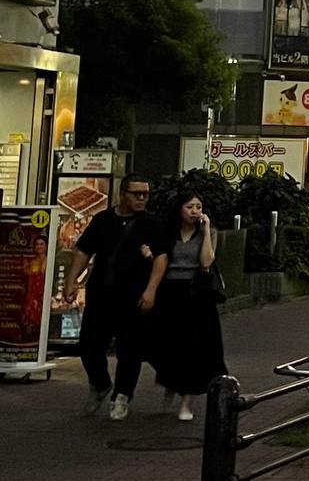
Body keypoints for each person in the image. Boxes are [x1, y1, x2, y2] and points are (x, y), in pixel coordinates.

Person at [63, 175, 158, 421]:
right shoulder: (103, 220)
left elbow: (162, 260)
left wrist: (150, 290)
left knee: (130, 349)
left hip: (134, 296)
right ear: (122, 194)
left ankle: (122, 396)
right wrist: (71, 281)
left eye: (145, 194)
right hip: (101, 293)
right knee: (89, 346)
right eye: (136, 194)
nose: (141, 198)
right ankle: (100, 383)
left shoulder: (151, 224)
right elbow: (84, 251)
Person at [140, 190, 226, 423]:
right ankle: (171, 381)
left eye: (198, 207)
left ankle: (186, 400)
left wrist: (206, 231)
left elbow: (206, 262)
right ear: (179, 209)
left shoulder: (208, 232)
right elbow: (161, 261)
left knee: (192, 348)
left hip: (196, 294)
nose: (194, 212)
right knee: (165, 344)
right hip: (169, 292)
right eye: (190, 207)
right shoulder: (168, 232)